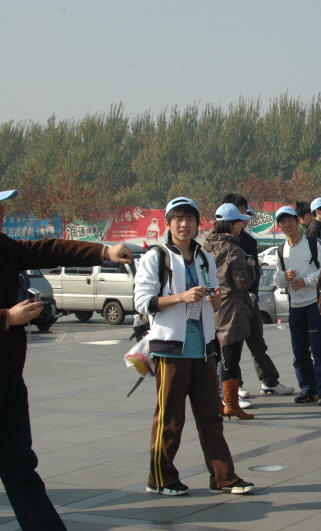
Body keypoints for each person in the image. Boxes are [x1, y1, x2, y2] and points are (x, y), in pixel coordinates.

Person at [1, 189, 132, 529]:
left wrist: (104, 250)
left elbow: (50, 248)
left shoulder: (5, 248)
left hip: (9, 381)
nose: (1, 215)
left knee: (20, 469)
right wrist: (7, 318)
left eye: (1, 209)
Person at [134, 197, 254, 496]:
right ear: (168, 223)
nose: (184, 224)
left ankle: (223, 477)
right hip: (170, 349)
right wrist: (181, 297)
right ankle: (159, 479)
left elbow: (214, 289)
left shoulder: (203, 257)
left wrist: (213, 299)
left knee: (211, 415)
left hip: (203, 347)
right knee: (171, 417)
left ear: (198, 223)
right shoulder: (156, 257)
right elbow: (142, 302)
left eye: (189, 219)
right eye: (178, 219)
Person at [222, 194, 294, 402]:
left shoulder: (249, 241)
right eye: (242, 213)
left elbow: (255, 272)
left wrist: (252, 293)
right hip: (228, 304)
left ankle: (269, 382)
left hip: (249, 299)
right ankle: (234, 387)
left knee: (257, 342)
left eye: (245, 213)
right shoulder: (217, 242)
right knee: (230, 348)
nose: (245, 219)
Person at [273, 206, 321, 406]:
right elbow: (278, 279)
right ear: (279, 226)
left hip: (315, 303)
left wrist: (306, 281)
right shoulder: (281, 251)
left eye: (289, 220)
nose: (286, 225)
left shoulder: (313, 243)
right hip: (295, 306)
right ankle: (308, 388)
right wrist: (285, 277)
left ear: (297, 221)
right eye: (282, 222)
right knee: (299, 350)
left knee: (319, 348)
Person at [203, 203, 258, 420]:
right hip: (232, 310)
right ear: (232, 225)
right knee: (230, 359)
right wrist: (251, 267)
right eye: (239, 222)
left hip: (211, 308)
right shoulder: (233, 250)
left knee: (214, 358)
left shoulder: (206, 247)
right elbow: (241, 282)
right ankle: (232, 404)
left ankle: (216, 403)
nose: (242, 226)